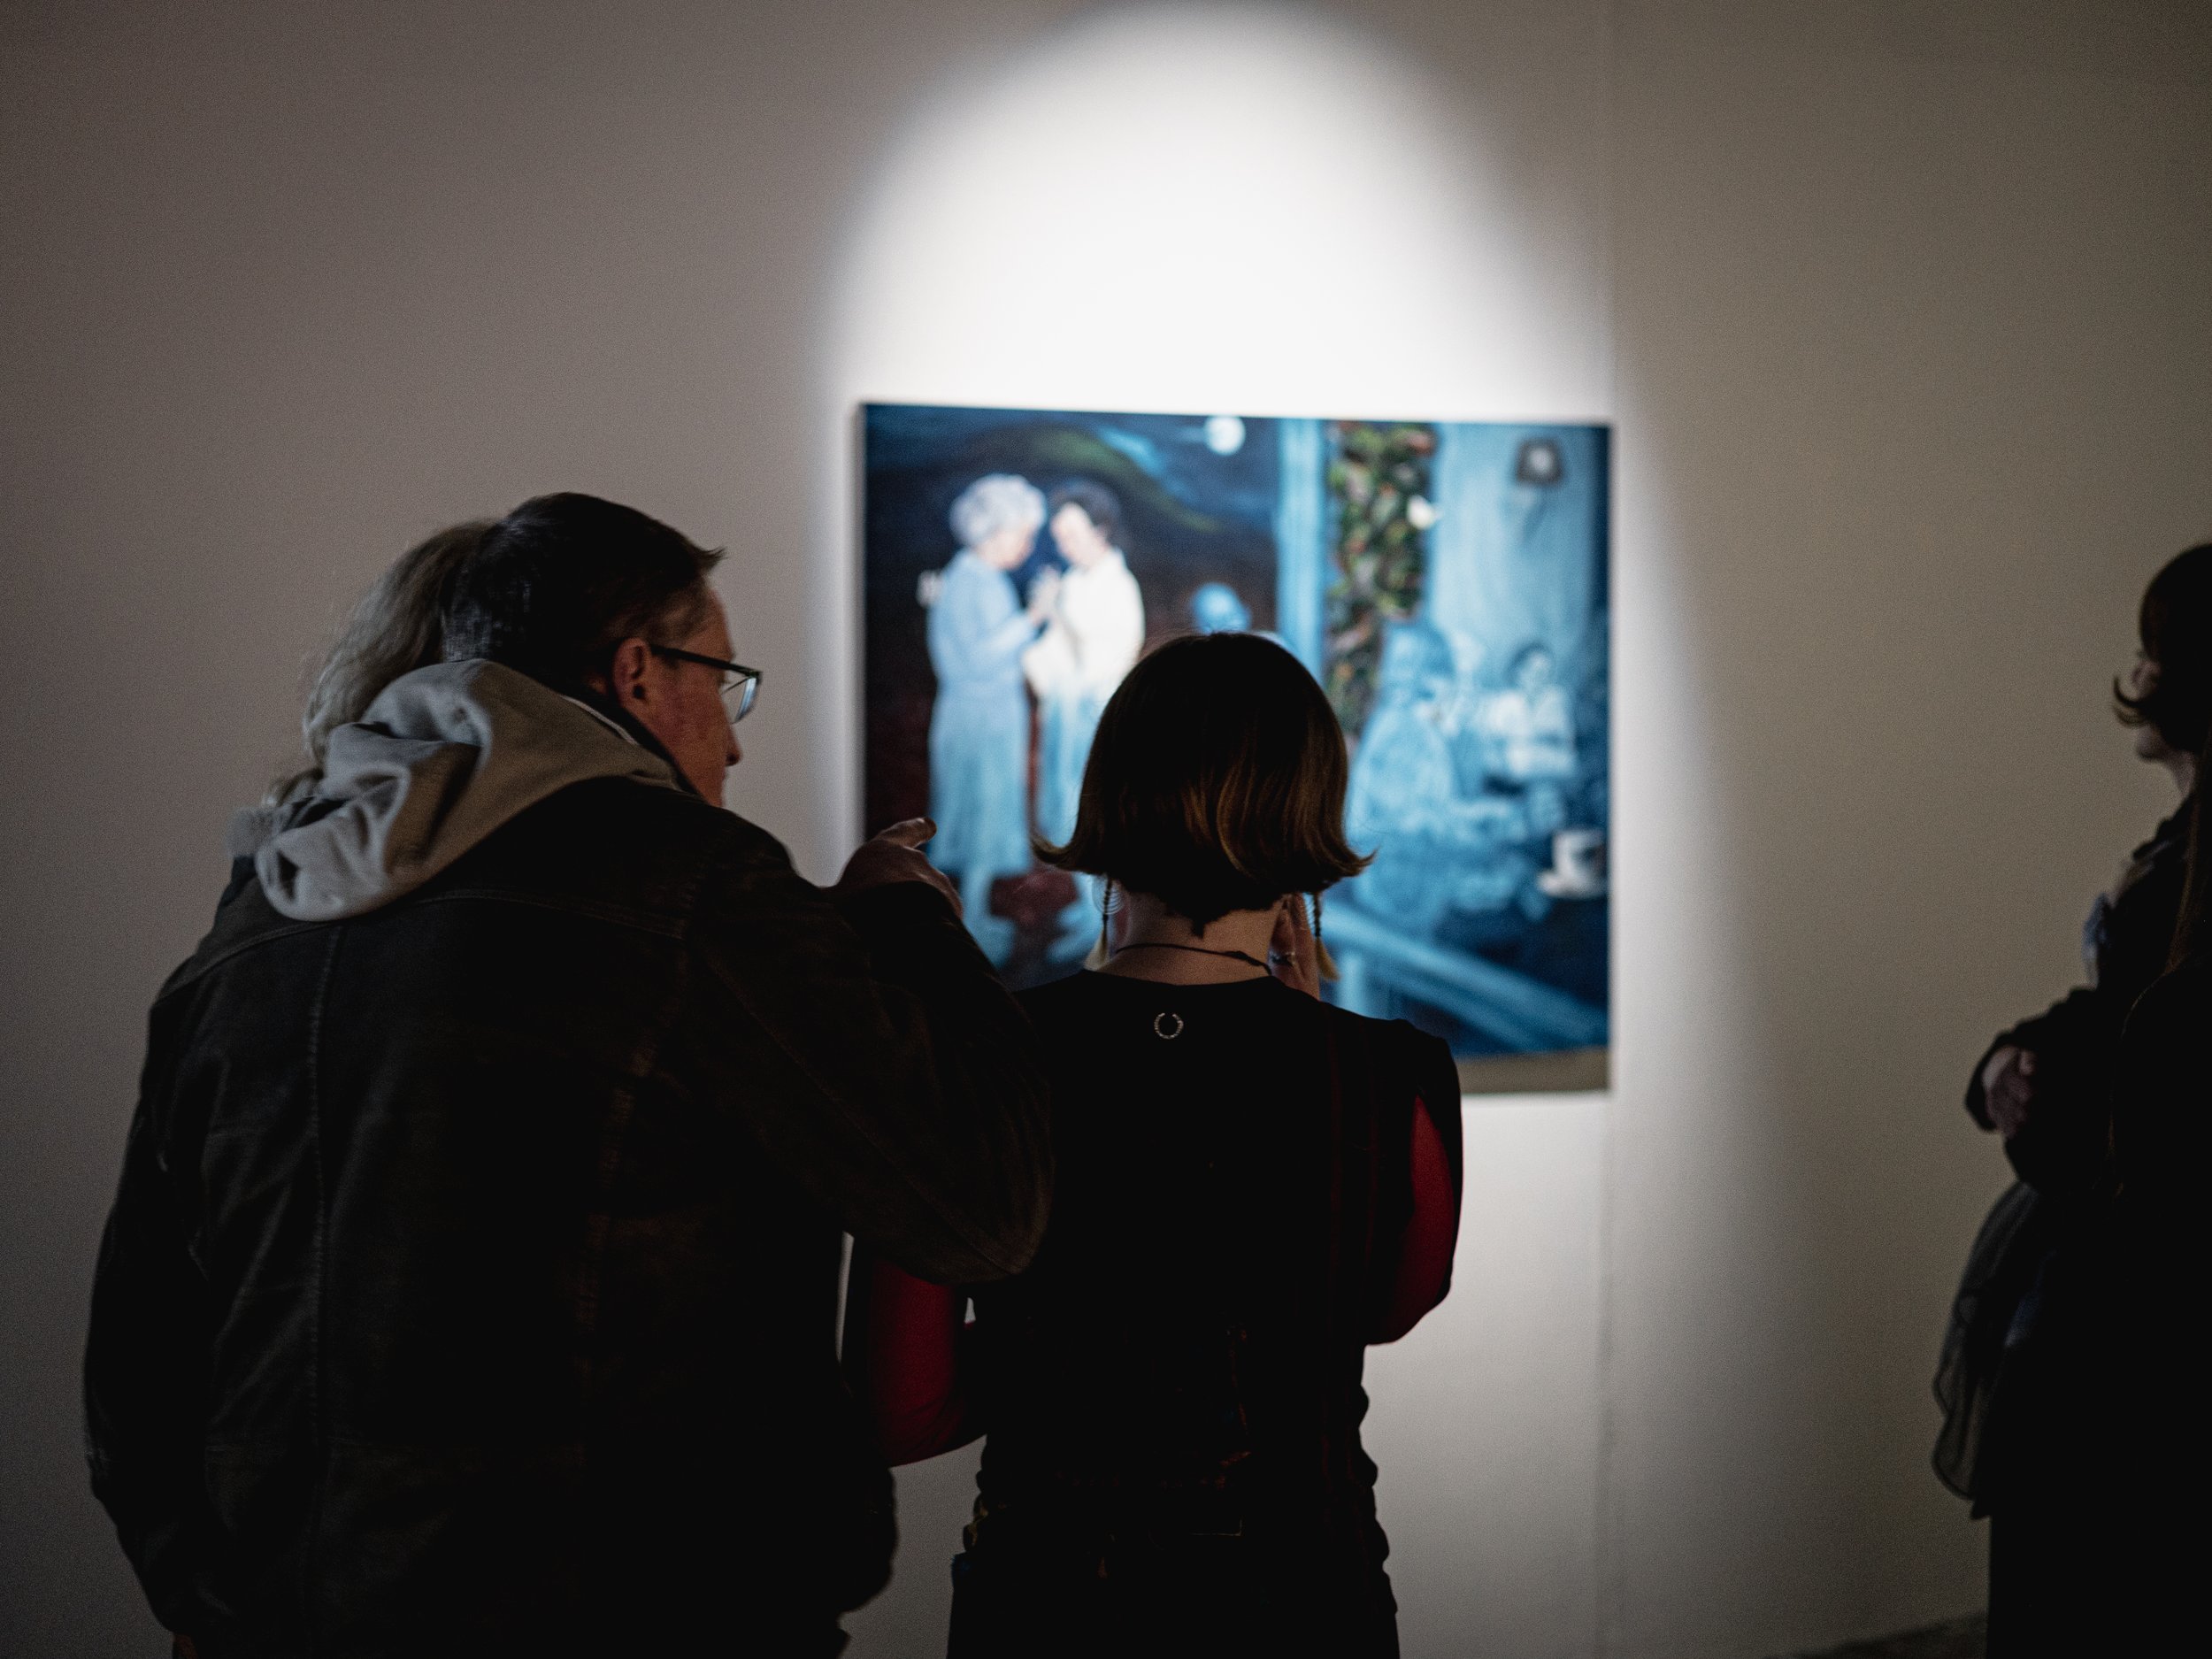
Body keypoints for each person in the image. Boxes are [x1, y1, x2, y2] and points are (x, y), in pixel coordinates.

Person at [84, 492, 1055, 1658]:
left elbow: (139, 1365)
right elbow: (984, 1207)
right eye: (726, 681)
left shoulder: (253, 925)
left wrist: (223, 1602)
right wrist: (906, 928)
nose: (736, 737)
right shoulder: (700, 895)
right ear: (638, 671)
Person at [843, 633, 1464, 1658]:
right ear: (1308, 809)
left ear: (1113, 802)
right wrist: (1306, 1056)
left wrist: (1064, 1364)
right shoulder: (1385, 1080)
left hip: (1048, 1598)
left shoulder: (983, 1071)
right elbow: (1386, 1307)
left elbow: (904, 1409)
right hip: (1305, 1595)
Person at [1934, 542, 2211, 1654]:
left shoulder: (2192, 868)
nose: (2132, 676)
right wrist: (2004, 1059)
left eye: (2153, 650)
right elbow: (2110, 1016)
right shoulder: (2177, 851)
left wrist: (2037, 1104)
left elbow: (2148, 1072)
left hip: (2135, 1302)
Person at [927, 472, 1055, 964]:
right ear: (993, 533)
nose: (1025, 546)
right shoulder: (969, 580)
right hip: (979, 719)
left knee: (985, 807)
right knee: (978, 809)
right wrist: (1033, 617)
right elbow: (978, 657)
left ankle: (973, 909)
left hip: (990, 714)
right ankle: (971, 914)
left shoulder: (979, 577)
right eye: (1021, 534)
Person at [1022, 480, 1145, 961]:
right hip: (1066, 716)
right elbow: (1050, 656)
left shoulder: (1120, 585)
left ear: (1101, 530)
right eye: (1060, 535)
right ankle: (1081, 905)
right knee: (1062, 810)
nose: (1066, 544)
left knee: (1092, 811)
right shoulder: (1070, 583)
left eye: (1073, 533)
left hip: (1098, 718)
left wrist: (1064, 634)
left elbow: (1112, 660)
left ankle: (1101, 921)